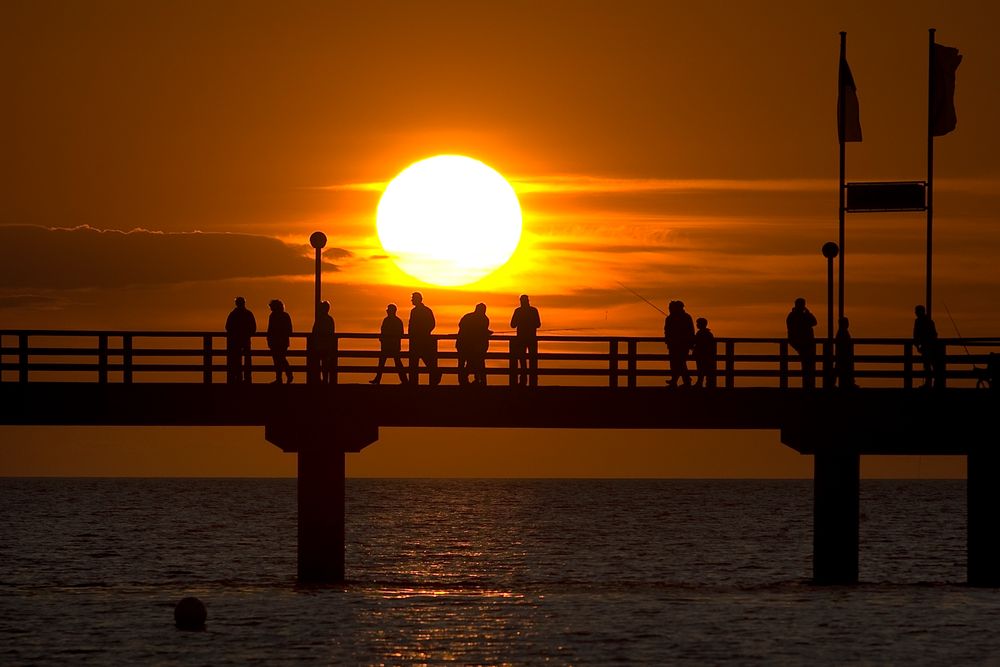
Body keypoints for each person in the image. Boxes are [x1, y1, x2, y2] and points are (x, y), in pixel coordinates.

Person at [408, 292, 440, 386]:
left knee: (422, 360)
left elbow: (431, 324)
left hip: (421, 340)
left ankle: (434, 374)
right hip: (416, 339)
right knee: (415, 362)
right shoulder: (418, 311)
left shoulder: (423, 311)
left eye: (413, 298)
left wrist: (423, 332)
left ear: (418, 299)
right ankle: (413, 382)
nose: (412, 300)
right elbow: (412, 325)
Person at [370, 303, 407, 385]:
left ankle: (404, 380)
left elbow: (400, 333)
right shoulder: (391, 320)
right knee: (386, 363)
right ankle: (404, 380)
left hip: (391, 346)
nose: (387, 311)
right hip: (389, 346)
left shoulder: (393, 321)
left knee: (394, 363)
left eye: (388, 309)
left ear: (392, 311)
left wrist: (386, 338)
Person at [457, 303, 492, 386]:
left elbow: (461, 326)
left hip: (462, 344)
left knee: (463, 363)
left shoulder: (467, 317)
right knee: (476, 363)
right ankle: (478, 381)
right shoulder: (484, 319)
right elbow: (481, 331)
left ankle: (463, 381)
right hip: (472, 345)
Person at [510, 294, 541, 387]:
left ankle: (523, 382)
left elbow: (512, 325)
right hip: (532, 339)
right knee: (532, 360)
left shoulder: (518, 311)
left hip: (521, 339)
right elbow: (538, 324)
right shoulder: (533, 311)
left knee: (522, 360)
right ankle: (532, 382)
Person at [786, 297, 817, 389]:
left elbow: (814, 322)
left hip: (803, 343)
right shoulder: (795, 316)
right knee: (808, 364)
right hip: (802, 343)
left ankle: (808, 384)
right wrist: (808, 313)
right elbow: (814, 322)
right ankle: (808, 385)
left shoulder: (794, 316)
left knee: (807, 364)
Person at [664, 300, 695, 387]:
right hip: (676, 345)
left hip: (679, 345)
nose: (669, 309)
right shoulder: (686, 317)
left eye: (671, 308)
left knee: (679, 363)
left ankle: (682, 381)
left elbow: (667, 331)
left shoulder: (671, 318)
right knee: (677, 363)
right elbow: (691, 331)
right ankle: (678, 380)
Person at [225, 296, 256, 384]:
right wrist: (247, 334)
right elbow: (253, 328)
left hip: (235, 341)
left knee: (236, 359)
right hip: (245, 340)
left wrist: (234, 334)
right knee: (247, 360)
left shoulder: (233, 314)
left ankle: (237, 377)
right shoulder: (248, 313)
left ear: (236, 304)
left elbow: (227, 327)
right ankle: (247, 378)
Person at [913, 304, 941, 389]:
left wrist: (918, 346)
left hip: (927, 347)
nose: (916, 313)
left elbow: (915, 335)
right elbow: (934, 334)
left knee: (928, 366)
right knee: (932, 366)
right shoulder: (929, 321)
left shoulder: (918, 322)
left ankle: (929, 384)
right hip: (931, 347)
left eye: (917, 311)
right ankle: (934, 384)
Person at [266, 298, 293, 384]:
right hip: (282, 342)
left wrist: (269, 339)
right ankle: (282, 377)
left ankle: (284, 376)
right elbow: (290, 330)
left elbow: (270, 329)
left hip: (276, 342)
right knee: (280, 359)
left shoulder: (273, 316)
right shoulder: (285, 315)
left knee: (279, 360)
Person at [311, 300, 335, 384]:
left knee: (319, 363)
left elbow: (314, 331)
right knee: (325, 363)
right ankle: (325, 380)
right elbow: (332, 332)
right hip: (326, 345)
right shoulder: (330, 319)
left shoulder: (320, 319)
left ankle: (320, 379)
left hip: (320, 345)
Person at [692, 317, 717, 389]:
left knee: (700, 369)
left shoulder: (700, 333)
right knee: (707, 369)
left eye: (698, 323)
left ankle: (700, 383)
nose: (696, 325)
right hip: (707, 354)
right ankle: (708, 384)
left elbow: (696, 342)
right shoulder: (709, 334)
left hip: (701, 354)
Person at [834, 316, 858, 389]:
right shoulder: (842, 332)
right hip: (844, 356)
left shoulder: (841, 332)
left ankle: (846, 384)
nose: (848, 324)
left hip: (842, 355)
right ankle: (847, 384)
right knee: (844, 370)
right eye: (846, 323)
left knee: (840, 370)